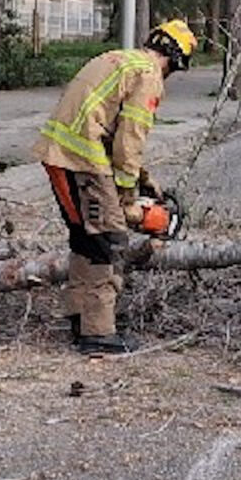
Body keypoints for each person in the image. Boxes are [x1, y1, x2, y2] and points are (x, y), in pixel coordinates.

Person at [35, 19, 197, 354]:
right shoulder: (149, 76)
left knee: (85, 239)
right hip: (84, 160)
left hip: (60, 154)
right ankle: (98, 333)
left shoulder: (119, 58)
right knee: (109, 241)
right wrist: (127, 198)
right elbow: (129, 140)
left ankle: (81, 319)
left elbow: (107, 123)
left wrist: (145, 180)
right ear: (174, 60)